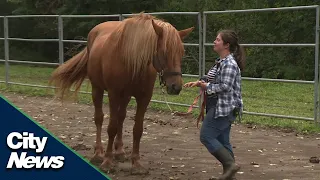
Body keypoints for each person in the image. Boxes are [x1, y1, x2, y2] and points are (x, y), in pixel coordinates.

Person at [184, 29, 245, 180]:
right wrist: (200, 82)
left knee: (206, 136)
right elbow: (214, 80)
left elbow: (225, 86)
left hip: (224, 107)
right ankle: (230, 176)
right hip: (218, 106)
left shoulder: (229, 63)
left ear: (226, 45)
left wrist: (206, 87)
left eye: (217, 39)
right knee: (223, 141)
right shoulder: (221, 62)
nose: (214, 41)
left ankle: (230, 166)